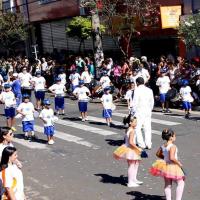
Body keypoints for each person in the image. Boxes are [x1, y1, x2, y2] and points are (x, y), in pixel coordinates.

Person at [150, 129, 185, 200]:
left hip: (165, 166)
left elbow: (157, 154)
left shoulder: (163, 145)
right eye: (174, 135)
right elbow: (172, 157)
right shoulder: (173, 146)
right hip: (173, 166)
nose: (175, 137)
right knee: (181, 183)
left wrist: (165, 157)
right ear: (171, 137)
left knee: (168, 185)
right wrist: (179, 163)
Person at [113, 117, 143, 187]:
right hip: (131, 149)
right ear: (130, 123)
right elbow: (131, 142)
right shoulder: (132, 131)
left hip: (128, 148)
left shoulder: (128, 129)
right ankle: (130, 182)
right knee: (132, 165)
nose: (136, 123)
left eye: (136, 122)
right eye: (135, 122)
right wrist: (138, 148)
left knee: (136, 163)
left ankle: (134, 179)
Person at [0, 127, 24, 199]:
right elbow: (8, 188)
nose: (13, 135)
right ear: (4, 136)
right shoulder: (6, 171)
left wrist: (17, 162)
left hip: (17, 190)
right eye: (10, 134)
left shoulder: (9, 144)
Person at [132, 77, 154, 149]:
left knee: (137, 128)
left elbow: (135, 102)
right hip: (147, 110)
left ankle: (141, 144)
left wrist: (133, 113)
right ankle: (148, 144)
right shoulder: (149, 90)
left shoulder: (137, 90)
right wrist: (150, 109)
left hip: (139, 111)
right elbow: (152, 102)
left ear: (137, 83)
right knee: (147, 128)